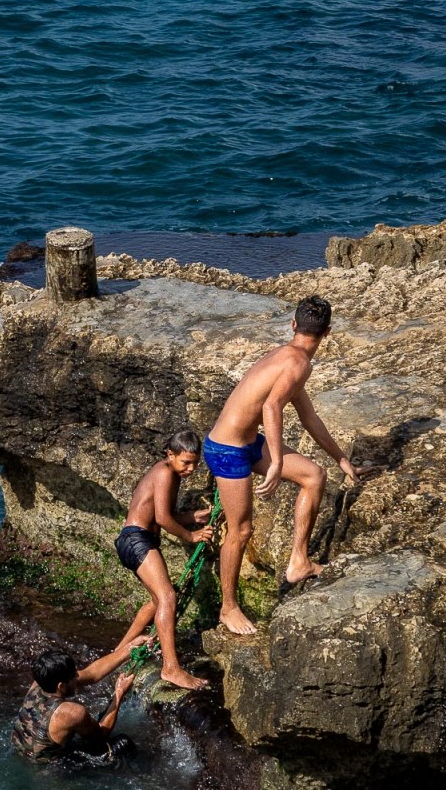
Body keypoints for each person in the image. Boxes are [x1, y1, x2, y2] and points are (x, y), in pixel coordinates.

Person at [204, 295, 367, 636]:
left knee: (313, 476)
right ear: (328, 332)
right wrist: (276, 461)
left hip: (248, 443)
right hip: (226, 450)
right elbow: (272, 407)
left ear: (293, 326)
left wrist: (342, 460)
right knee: (241, 531)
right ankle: (228, 608)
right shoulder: (297, 364)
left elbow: (308, 416)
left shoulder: (290, 357)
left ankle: (299, 562)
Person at [113, 431, 216, 690]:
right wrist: (192, 535)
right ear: (170, 455)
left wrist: (194, 516)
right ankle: (171, 668)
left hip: (135, 540)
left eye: (195, 463)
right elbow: (162, 519)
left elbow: (164, 514)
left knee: (157, 601)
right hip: (137, 540)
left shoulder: (169, 472)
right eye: (186, 462)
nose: (191, 469)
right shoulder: (164, 473)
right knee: (168, 597)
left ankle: (118, 651)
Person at [11, 635, 150, 765]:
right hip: (52, 768)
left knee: (93, 722)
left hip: (23, 752)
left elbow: (92, 674)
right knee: (123, 744)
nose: (78, 677)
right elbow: (101, 735)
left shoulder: (40, 682)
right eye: (74, 676)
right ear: (61, 686)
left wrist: (130, 647)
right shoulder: (70, 712)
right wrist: (119, 694)